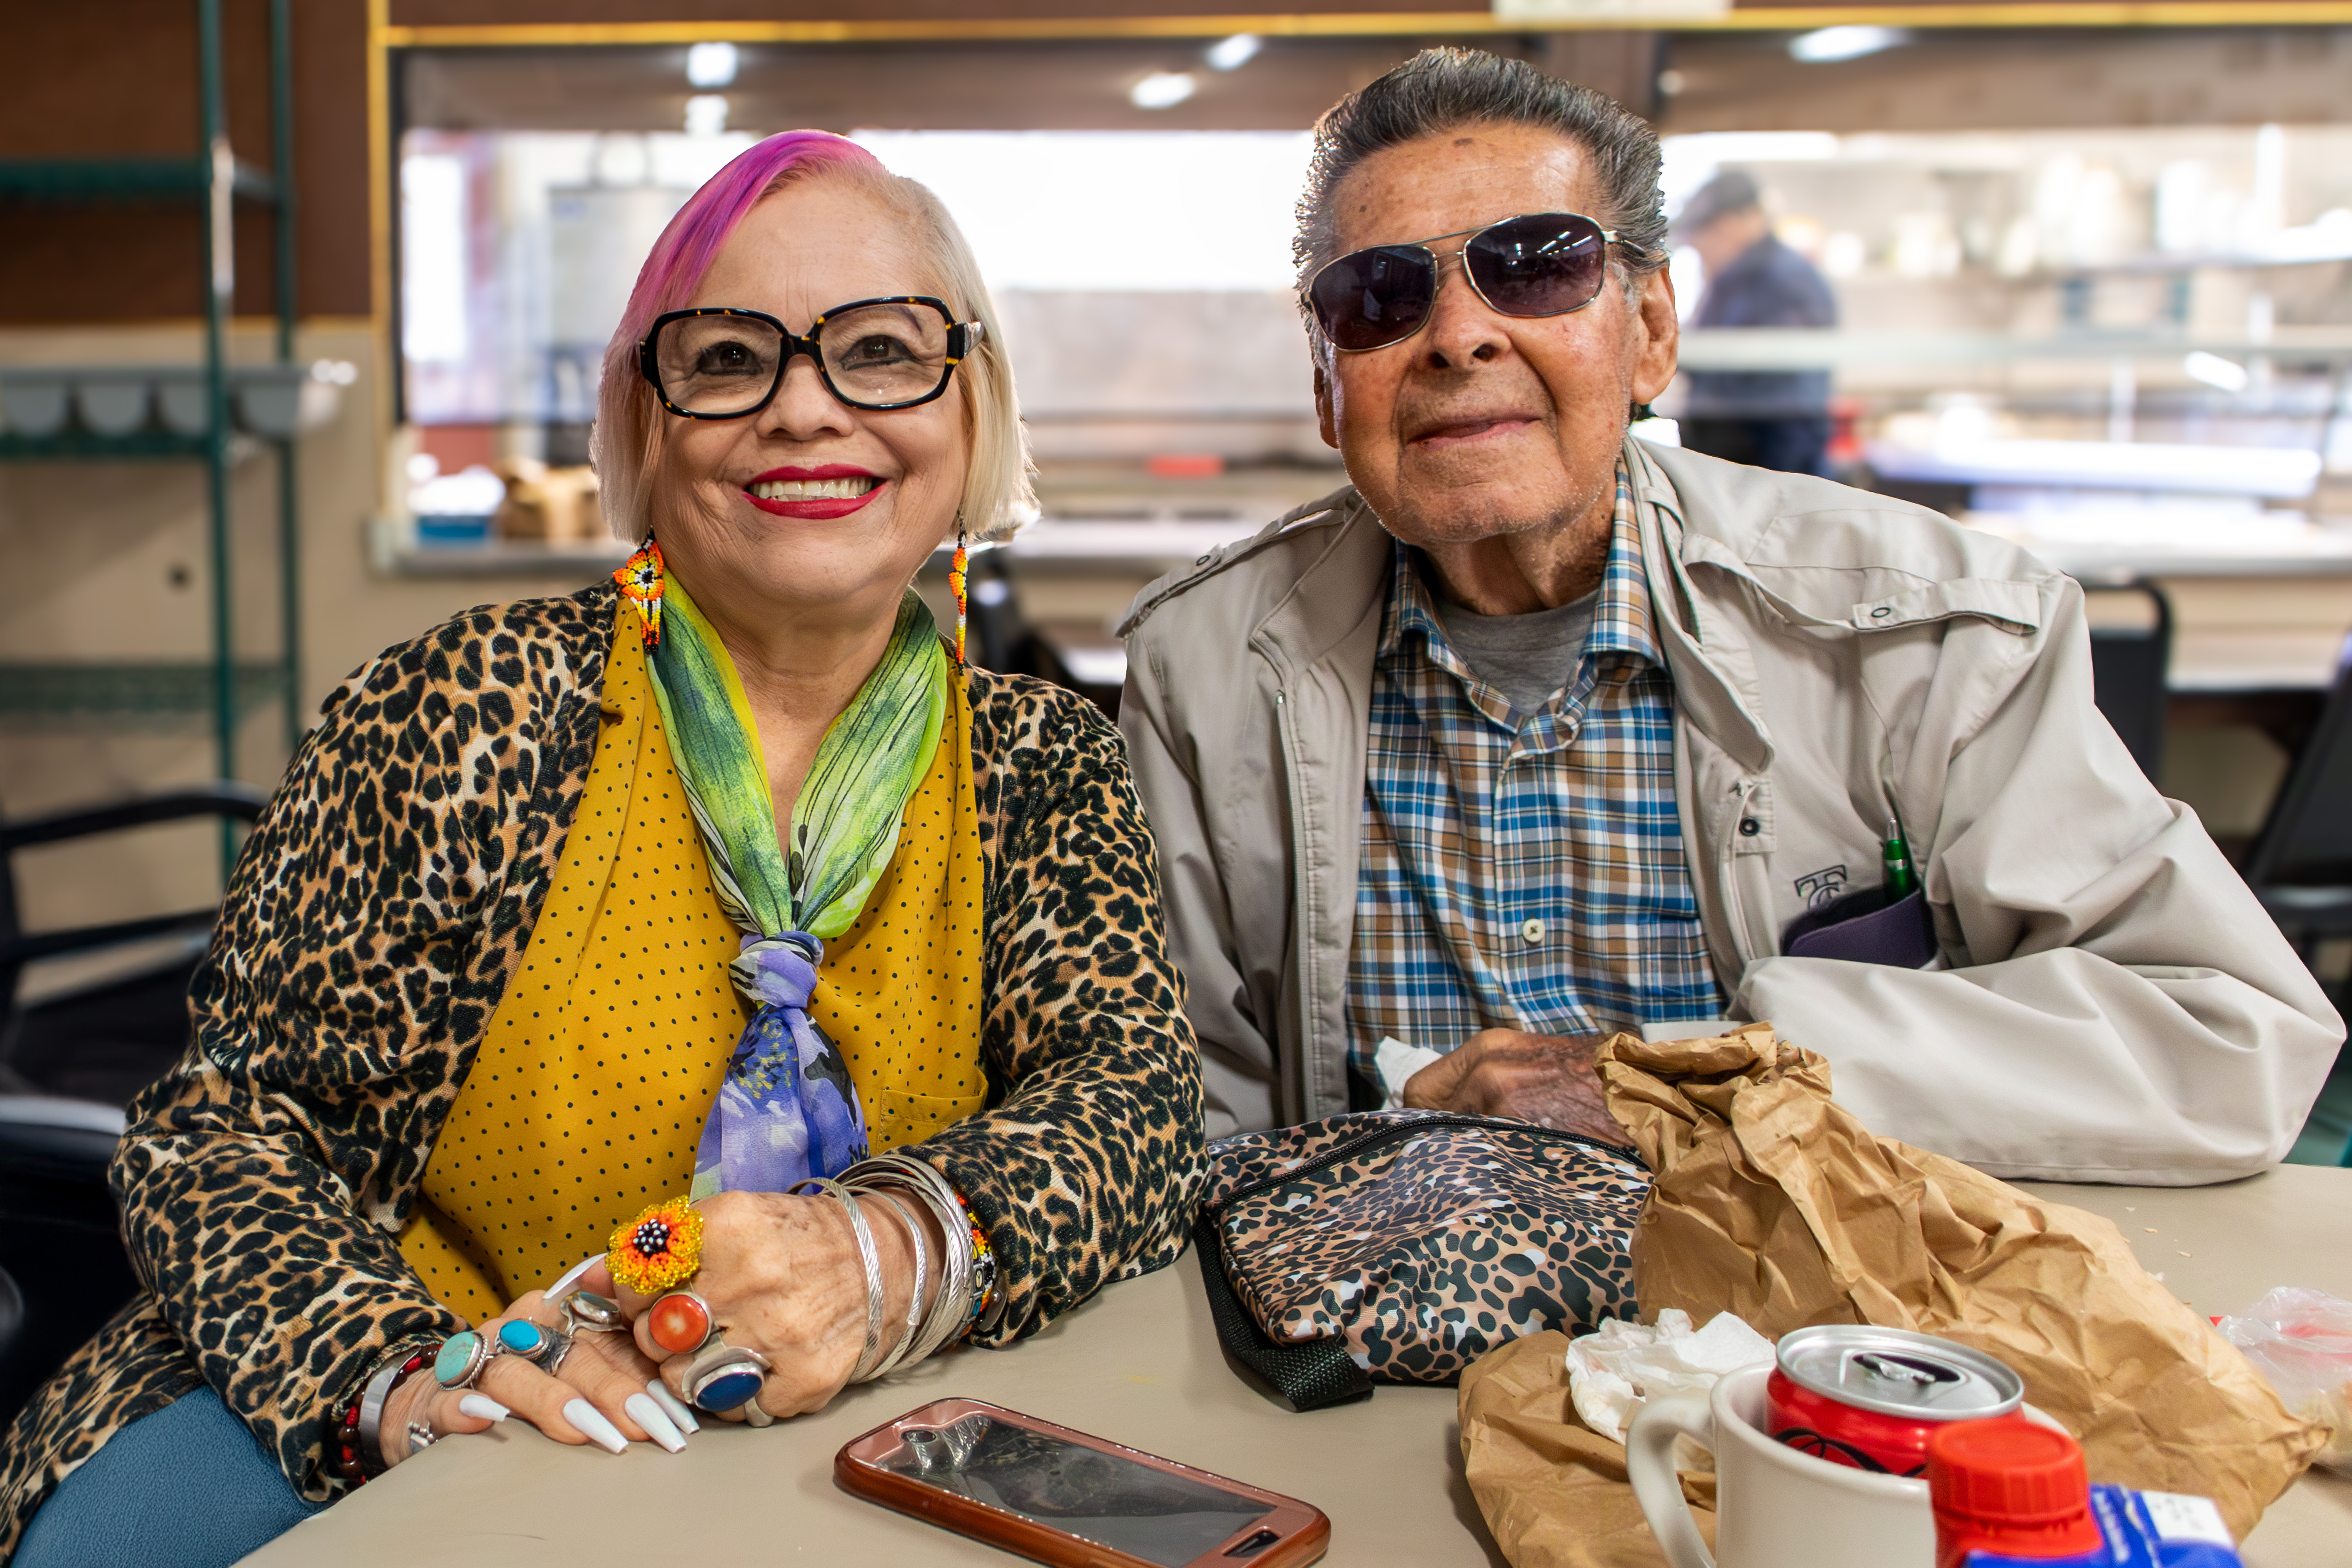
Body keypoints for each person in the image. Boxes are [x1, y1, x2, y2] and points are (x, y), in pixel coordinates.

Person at [1, 131, 1204, 1567]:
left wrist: (881, 1256)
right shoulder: (463, 705)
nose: (804, 408)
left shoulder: (1043, 760)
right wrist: (399, 1380)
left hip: (862, 1425)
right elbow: (223, 1131)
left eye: (880, 351)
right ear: (644, 418)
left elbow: (1134, 1106)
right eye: (726, 358)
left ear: (973, 401)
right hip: (413, 1393)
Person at [1118, 49, 2339, 1184]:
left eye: (1535, 266)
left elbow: (2225, 1039)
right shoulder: (1203, 671)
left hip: (1813, 1303)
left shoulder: (1927, 629)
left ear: (1649, 333)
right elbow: (1183, 1122)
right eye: (1380, 295)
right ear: (1326, 383)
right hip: (1372, 1301)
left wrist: (1707, 1083)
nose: (1458, 335)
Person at [1671, 168, 1839, 477]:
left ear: (1728, 228)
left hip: (1767, 479)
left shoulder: (1785, 282)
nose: (1699, 251)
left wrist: (1782, 491)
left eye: (1700, 240)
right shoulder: (1731, 282)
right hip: (1731, 476)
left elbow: (1790, 411)